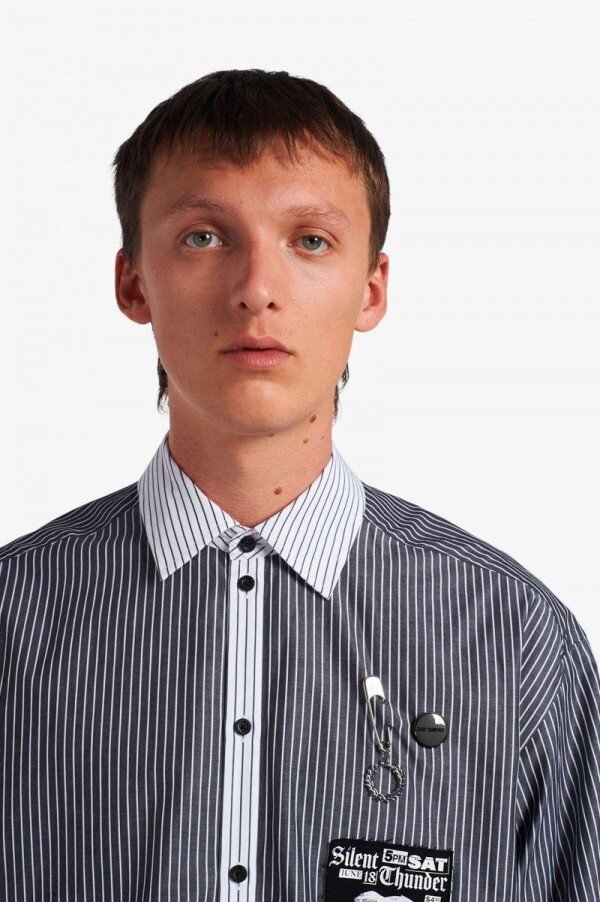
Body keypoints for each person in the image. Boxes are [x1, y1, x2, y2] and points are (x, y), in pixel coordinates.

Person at [1, 68, 598, 902]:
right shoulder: (13, 619)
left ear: (371, 289)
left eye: (310, 241)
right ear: (133, 282)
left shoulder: (514, 640)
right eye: (203, 237)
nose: (256, 290)